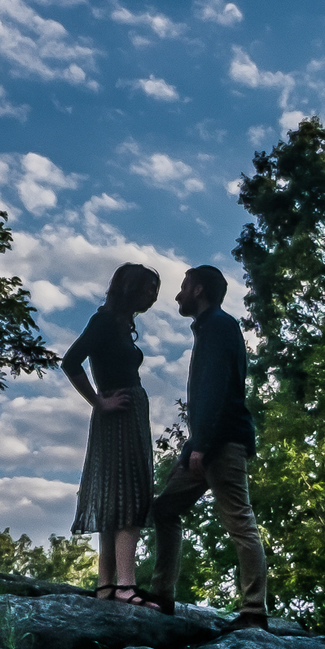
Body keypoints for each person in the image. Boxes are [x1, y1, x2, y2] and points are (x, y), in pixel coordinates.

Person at [148, 264, 268, 629]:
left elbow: (216, 388)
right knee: (165, 509)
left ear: (198, 290)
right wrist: (189, 450)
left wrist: (200, 445)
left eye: (183, 287)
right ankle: (161, 596)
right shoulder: (210, 328)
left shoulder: (217, 326)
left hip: (223, 440)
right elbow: (205, 397)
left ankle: (253, 611)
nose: (178, 294)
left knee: (239, 520)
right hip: (207, 441)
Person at [63, 262, 162, 606]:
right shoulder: (104, 321)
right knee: (129, 496)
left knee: (117, 497)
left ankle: (107, 585)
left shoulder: (117, 324)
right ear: (130, 287)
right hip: (118, 417)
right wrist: (98, 401)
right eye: (149, 288)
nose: (153, 295)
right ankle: (124, 586)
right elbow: (70, 361)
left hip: (125, 416)